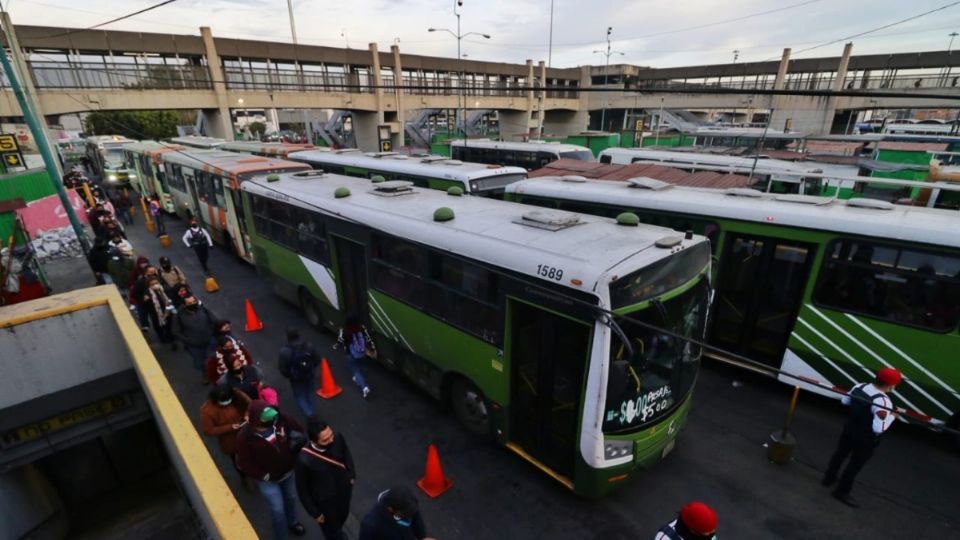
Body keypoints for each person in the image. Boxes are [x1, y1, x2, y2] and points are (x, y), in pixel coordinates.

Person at [822, 367, 903, 508]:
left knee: (840, 454)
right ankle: (841, 492)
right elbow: (878, 428)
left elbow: (845, 401)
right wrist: (893, 416)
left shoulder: (860, 385)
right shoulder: (883, 402)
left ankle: (828, 478)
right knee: (854, 465)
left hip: (849, 429)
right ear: (891, 385)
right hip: (865, 439)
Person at [236, 400, 307, 540]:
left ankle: (293, 522)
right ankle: (282, 536)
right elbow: (244, 463)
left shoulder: (281, 421)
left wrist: (283, 416)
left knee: (291, 499)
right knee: (277, 510)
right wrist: (263, 475)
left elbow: (299, 429)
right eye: (266, 415)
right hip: (268, 480)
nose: (272, 417)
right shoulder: (244, 437)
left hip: (288, 472)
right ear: (255, 418)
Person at [295, 418, 356, 540]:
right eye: (325, 440)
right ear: (314, 440)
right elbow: (302, 489)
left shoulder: (337, 438)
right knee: (332, 531)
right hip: (325, 503)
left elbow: (346, 455)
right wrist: (314, 512)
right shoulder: (303, 460)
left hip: (344, 491)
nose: (331, 440)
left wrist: (351, 475)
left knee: (343, 517)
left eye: (331, 435)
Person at [199, 384, 251, 480]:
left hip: (248, 431)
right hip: (231, 440)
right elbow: (208, 430)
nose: (226, 403)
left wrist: (248, 414)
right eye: (223, 401)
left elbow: (250, 404)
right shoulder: (207, 411)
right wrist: (230, 427)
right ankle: (244, 477)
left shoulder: (237, 394)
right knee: (238, 460)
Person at [358, 486, 432, 540]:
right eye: (404, 513)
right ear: (390, 509)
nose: (408, 516)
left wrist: (422, 537)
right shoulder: (371, 525)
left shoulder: (409, 504)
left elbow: (417, 520)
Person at [175, 295, 219, 383]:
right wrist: (187, 340)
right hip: (194, 345)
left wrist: (212, 333)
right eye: (189, 303)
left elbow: (214, 321)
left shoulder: (204, 310)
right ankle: (205, 375)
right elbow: (176, 331)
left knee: (213, 358)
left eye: (194, 302)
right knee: (200, 362)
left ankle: (217, 374)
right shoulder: (179, 316)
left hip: (209, 340)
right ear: (184, 305)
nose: (192, 304)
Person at [279, 328, 318, 417]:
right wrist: (310, 368)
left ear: (288, 338)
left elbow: (282, 369)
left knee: (300, 396)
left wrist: (290, 375)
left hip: (296, 379)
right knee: (310, 393)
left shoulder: (284, 351)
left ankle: (309, 414)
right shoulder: (308, 346)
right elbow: (317, 360)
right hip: (309, 375)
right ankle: (312, 410)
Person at [335, 315, 376, 400]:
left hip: (351, 354)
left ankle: (365, 388)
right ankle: (358, 379)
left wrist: (335, 346)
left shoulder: (345, 330)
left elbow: (340, 341)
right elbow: (368, 338)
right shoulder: (361, 327)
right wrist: (372, 349)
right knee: (360, 367)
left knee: (355, 370)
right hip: (362, 352)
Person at [145, 276, 177, 348]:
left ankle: (170, 337)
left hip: (167, 311)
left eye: (156, 283)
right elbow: (146, 305)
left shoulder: (163, 289)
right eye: (152, 284)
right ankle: (163, 338)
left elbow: (170, 297)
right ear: (149, 286)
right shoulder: (148, 294)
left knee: (169, 325)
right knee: (159, 326)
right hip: (156, 314)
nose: (155, 285)